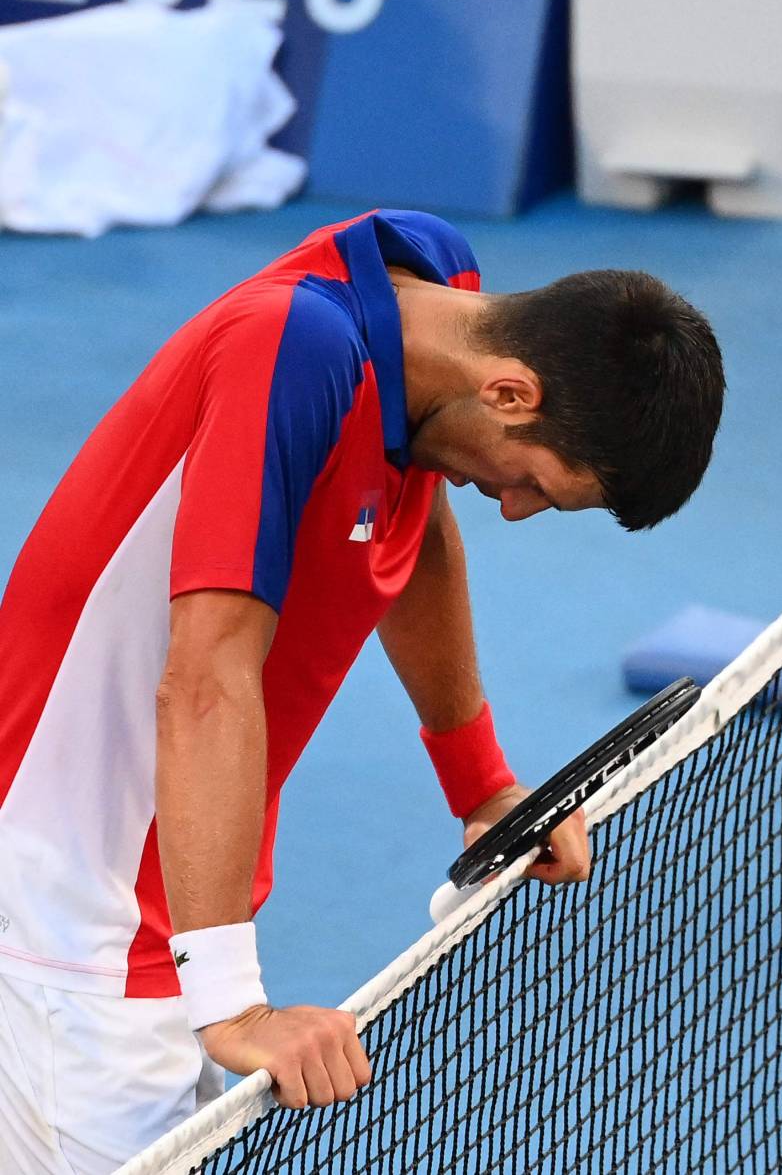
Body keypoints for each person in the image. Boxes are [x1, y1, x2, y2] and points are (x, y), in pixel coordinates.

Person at [0, 210, 725, 1170]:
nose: (514, 508)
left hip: (161, 903)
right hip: (70, 923)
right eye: (538, 483)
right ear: (511, 390)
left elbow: (412, 532)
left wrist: (482, 786)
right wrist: (235, 1006)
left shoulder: (429, 313)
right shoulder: (291, 349)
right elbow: (206, 679)